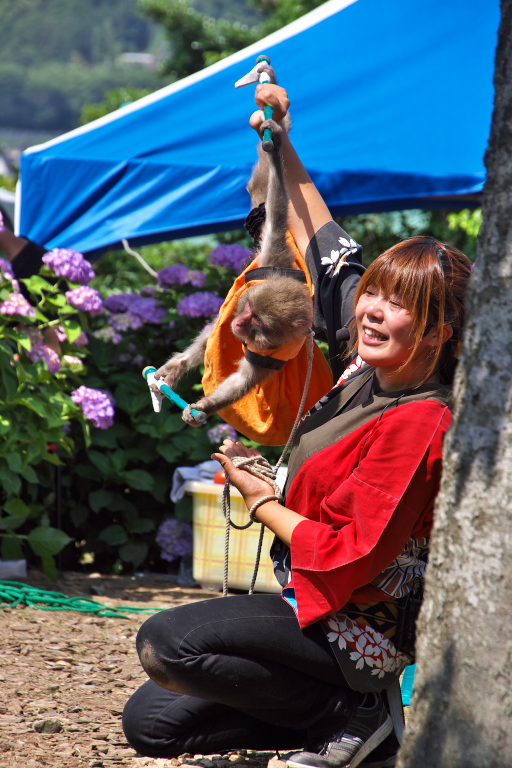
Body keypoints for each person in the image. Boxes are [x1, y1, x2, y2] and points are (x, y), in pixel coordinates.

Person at [122, 85, 472, 768]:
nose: (371, 309)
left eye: (398, 305)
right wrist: (281, 138)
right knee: (155, 724)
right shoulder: (361, 357)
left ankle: (360, 711)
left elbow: (349, 555)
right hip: (308, 610)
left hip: (358, 628)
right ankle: (333, 729)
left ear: (439, 332)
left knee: (167, 643)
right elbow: (321, 235)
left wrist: (264, 502)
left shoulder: (424, 417)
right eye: (373, 290)